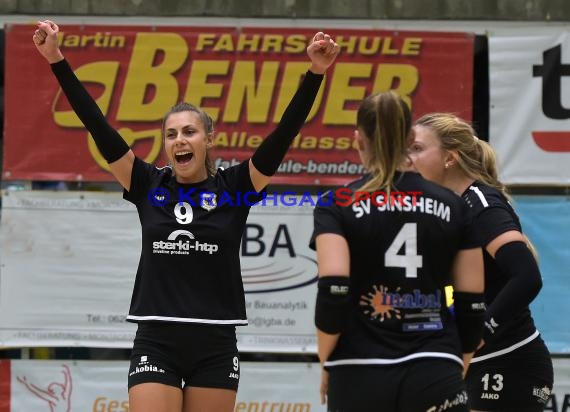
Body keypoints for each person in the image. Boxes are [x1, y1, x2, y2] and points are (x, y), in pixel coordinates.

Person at [33, 20, 339, 412]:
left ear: (208, 139)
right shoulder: (146, 183)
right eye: (172, 134)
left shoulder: (235, 188)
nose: (180, 140)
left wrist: (315, 73)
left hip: (214, 342)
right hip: (156, 338)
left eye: (189, 132)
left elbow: (284, 134)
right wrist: (56, 59)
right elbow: (96, 123)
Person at [310, 91, 486, 412]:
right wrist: (457, 362)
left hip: (359, 368)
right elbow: (472, 302)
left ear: (358, 140)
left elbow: (334, 287)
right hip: (435, 364)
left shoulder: (336, 204)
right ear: (409, 138)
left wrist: (326, 360)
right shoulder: (456, 205)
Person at [409, 113, 553, 412]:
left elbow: (527, 277)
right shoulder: (442, 208)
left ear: (449, 158)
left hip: (508, 359)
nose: (409, 158)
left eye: (417, 149)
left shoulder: (481, 204)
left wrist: (479, 332)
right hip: (460, 363)